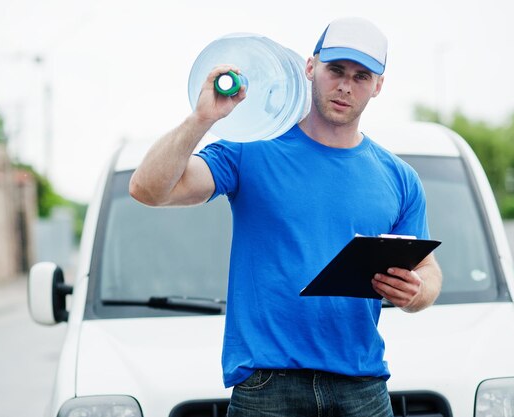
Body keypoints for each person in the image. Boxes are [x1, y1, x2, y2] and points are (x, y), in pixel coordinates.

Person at [129, 16, 442, 417]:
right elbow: (149, 189)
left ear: (378, 86)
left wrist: (417, 292)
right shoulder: (250, 148)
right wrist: (202, 119)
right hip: (268, 388)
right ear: (310, 68)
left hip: (362, 386)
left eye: (361, 76)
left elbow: (428, 270)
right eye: (336, 70)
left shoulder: (399, 178)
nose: (346, 85)